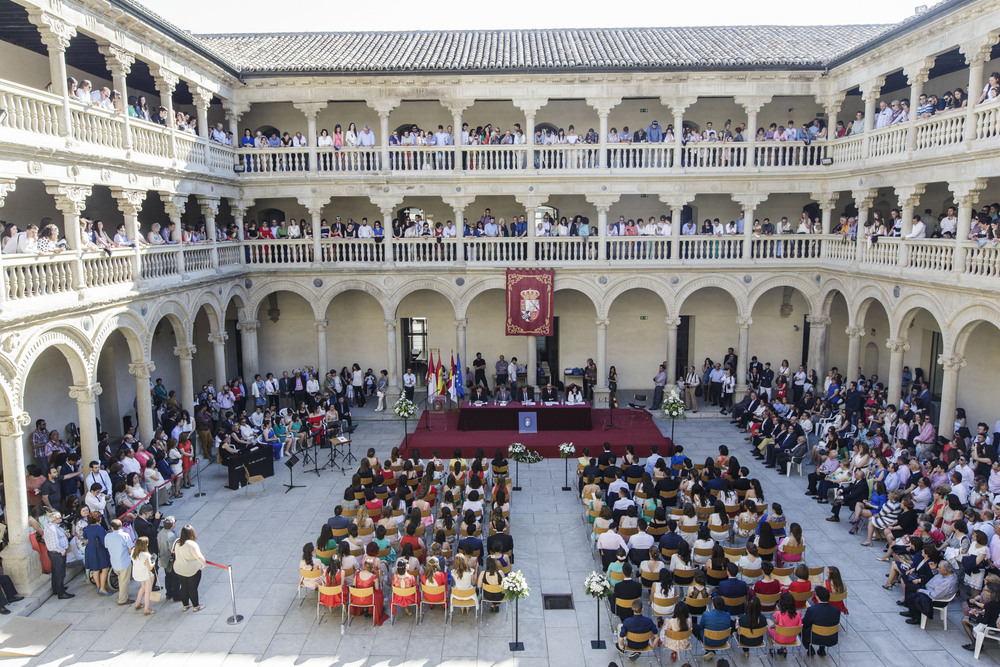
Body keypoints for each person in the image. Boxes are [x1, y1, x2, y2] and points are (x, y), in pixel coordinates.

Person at [173, 524, 207, 612]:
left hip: (179, 568)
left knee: (183, 587)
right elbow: (199, 557)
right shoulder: (192, 544)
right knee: (192, 588)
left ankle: (185, 605)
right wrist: (203, 565)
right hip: (191, 569)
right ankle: (196, 606)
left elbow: (173, 551)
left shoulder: (177, 542)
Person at [802, 586, 840, 656]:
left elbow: (805, 623)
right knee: (825, 624)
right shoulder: (837, 610)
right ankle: (822, 650)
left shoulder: (812, 610)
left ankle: (810, 649)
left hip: (814, 638)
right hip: (831, 638)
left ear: (817, 597)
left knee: (801, 628)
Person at [105, 519, 135, 606]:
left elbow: (107, 546)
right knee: (124, 581)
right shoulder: (125, 535)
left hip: (114, 562)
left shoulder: (107, 536)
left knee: (120, 579)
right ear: (121, 526)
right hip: (124, 561)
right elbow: (130, 549)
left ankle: (124, 594)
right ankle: (122, 599)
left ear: (112, 528)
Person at [44, 511, 73, 599]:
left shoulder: (52, 526)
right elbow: (54, 544)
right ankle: (61, 593)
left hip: (56, 553)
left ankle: (57, 588)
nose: (61, 519)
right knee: (60, 573)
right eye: (59, 518)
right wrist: (62, 551)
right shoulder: (52, 528)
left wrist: (65, 535)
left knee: (56, 572)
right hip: (57, 553)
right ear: (55, 520)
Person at [82, 512, 112, 596]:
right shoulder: (99, 528)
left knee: (95, 569)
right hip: (98, 550)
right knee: (105, 568)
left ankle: (98, 587)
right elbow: (104, 541)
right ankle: (103, 588)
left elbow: (85, 536)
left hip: (90, 549)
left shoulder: (87, 528)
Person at [131, 536, 157, 615]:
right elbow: (150, 567)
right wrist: (154, 562)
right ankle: (147, 609)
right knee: (148, 591)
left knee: (142, 587)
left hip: (138, 573)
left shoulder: (133, 551)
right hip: (147, 575)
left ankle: (137, 604)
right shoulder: (145, 555)